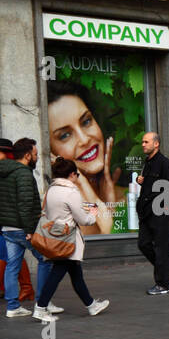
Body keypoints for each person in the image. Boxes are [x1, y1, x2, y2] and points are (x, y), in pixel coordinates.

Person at [32, 157, 110, 322]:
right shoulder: (71, 192)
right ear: (72, 174)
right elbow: (83, 220)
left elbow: (55, 211)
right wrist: (93, 215)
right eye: (77, 175)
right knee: (58, 273)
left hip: (55, 236)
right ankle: (40, 307)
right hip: (67, 240)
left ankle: (91, 305)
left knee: (76, 274)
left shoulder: (51, 190)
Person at [47, 80, 121, 235]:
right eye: (65, 135)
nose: (84, 139)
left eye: (86, 121)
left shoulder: (130, 198)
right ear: (50, 153)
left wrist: (108, 208)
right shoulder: (61, 216)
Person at [2, 138, 53, 317]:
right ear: (27, 155)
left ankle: (13, 307)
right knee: (46, 260)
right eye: (35, 154)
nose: (37, 157)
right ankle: (43, 303)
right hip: (23, 229)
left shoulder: (4, 172)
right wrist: (30, 231)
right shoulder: (23, 173)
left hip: (7, 228)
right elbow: (25, 204)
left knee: (12, 266)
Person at [136, 131, 169, 295]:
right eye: (142, 142)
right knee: (143, 244)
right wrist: (140, 182)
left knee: (161, 247)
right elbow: (151, 187)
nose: (143, 145)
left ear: (156, 144)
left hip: (161, 211)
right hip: (147, 212)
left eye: (146, 142)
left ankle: (162, 283)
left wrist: (165, 211)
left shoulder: (166, 164)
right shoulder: (147, 163)